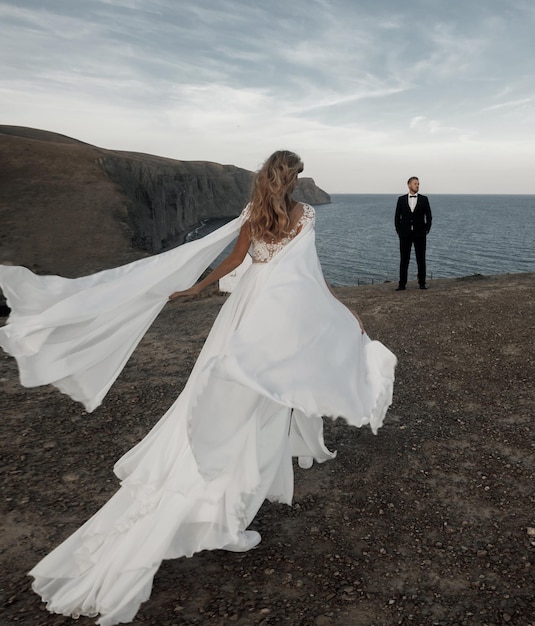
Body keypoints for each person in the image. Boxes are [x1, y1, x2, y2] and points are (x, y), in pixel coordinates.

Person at [0, 150, 396, 626]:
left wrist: (198, 288)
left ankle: (219, 510)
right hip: (276, 324)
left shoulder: (253, 213)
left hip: (241, 317)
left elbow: (232, 260)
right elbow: (309, 278)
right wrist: (343, 311)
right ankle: (225, 518)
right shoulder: (304, 215)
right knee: (263, 415)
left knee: (218, 403)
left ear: (265, 177)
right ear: (296, 180)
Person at [394, 176, 432, 290]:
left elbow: (429, 216)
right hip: (405, 235)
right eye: (415, 183)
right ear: (409, 185)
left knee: (421, 259)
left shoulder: (424, 199)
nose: (417, 185)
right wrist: (400, 231)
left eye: (418, 184)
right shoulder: (401, 199)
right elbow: (397, 218)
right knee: (404, 259)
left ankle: (422, 283)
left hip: (420, 234)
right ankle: (402, 284)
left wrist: (426, 229)